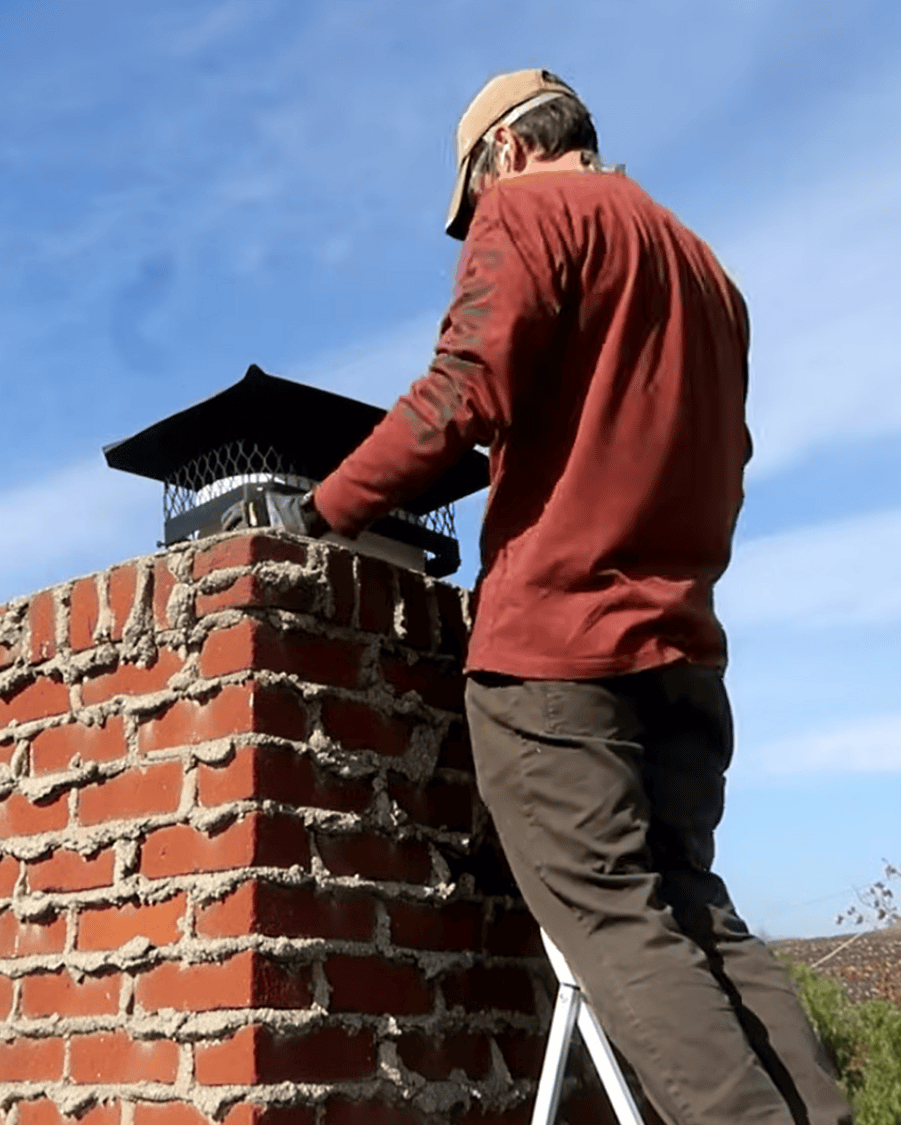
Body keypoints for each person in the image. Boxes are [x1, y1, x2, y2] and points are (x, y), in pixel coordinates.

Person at [285, 70, 855, 1125]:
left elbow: (463, 389)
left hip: (559, 643)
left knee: (615, 920)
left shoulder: (525, 210)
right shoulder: (704, 266)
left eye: (469, 201)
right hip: (682, 647)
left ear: (503, 152)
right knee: (696, 911)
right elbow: (726, 457)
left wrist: (322, 513)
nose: (473, 224)